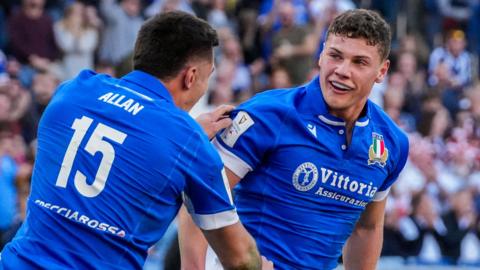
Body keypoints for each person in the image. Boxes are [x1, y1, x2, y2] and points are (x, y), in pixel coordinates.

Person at [0, 11, 272, 270]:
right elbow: (238, 259)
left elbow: (127, 136)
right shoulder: (188, 143)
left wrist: (186, 136)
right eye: (207, 77)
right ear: (190, 77)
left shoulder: (72, 91)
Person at [179, 9, 409, 270]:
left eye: (359, 62)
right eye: (335, 56)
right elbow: (199, 194)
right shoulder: (267, 114)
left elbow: (366, 229)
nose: (342, 71)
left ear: (382, 71)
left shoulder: (392, 142)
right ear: (321, 55)